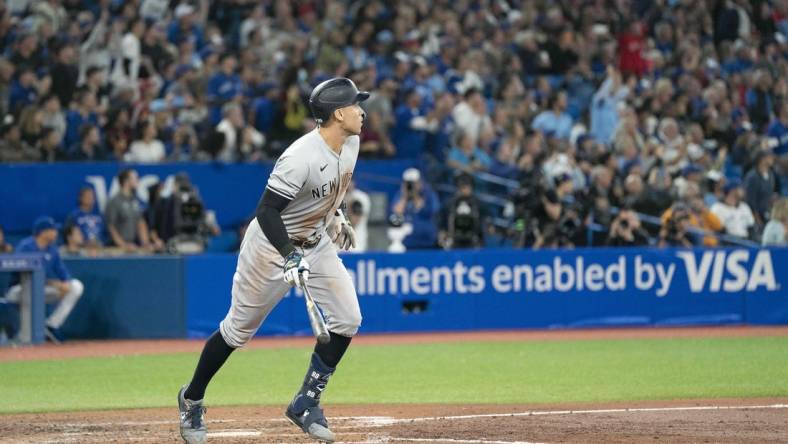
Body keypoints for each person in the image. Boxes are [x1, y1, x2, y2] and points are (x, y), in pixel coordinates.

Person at [178, 77, 368, 444]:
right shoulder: (300, 157)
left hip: (315, 241)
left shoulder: (351, 143)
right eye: (356, 105)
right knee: (237, 331)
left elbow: (336, 188)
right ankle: (192, 397)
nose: (362, 111)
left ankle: (305, 402)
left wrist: (338, 216)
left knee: (348, 319)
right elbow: (266, 211)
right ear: (339, 113)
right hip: (269, 248)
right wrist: (288, 254)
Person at [4, 216, 84, 343]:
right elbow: (23, 275)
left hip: (41, 291)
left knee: (76, 286)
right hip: (18, 291)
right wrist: (55, 284)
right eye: (53, 229)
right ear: (44, 232)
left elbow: (63, 272)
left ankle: (51, 326)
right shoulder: (26, 246)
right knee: (29, 286)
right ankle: (27, 335)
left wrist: (66, 284)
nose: (56, 232)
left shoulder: (52, 249)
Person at [389, 168, 440, 250]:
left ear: (420, 182)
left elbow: (428, 211)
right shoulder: (400, 195)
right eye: (408, 183)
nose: (411, 186)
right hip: (407, 242)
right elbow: (396, 214)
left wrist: (415, 195)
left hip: (427, 242)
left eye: (413, 183)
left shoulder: (428, 194)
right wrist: (405, 197)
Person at [105, 169, 153, 252]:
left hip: (133, 246)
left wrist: (145, 243)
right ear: (126, 181)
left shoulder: (135, 200)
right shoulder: (114, 202)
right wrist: (123, 245)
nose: (138, 180)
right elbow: (111, 227)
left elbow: (141, 223)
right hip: (117, 248)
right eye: (135, 178)